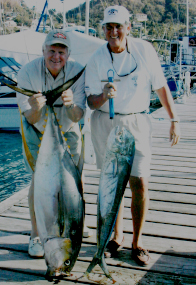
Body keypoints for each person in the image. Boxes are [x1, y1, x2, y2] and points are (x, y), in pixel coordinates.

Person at [85, 6, 180, 266]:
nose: (113, 31)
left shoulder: (144, 50)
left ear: (128, 27)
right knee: (111, 184)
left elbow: (160, 86)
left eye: (118, 26)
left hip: (137, 121)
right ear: (103, 29)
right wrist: (104, 95)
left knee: (140, 182)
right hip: (105, 122)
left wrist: (174, 120)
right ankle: (117, 237)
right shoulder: (96, 59)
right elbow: (91, 102)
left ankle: (138, 242)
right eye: (108, 27)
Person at [17, 29, 92, 258]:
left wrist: (70, 105)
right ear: (43, 51)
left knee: (76, 177)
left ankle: (75, 223)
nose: (56, 56)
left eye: (61, 51)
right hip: (37, 126)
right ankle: (37, 234)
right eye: (52, 50)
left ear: (68, 54)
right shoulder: (27, 72)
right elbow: (30, 118)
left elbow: (78, 116)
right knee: (39, 181)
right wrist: (37, 107)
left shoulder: (78, 71)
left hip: (68, 126)